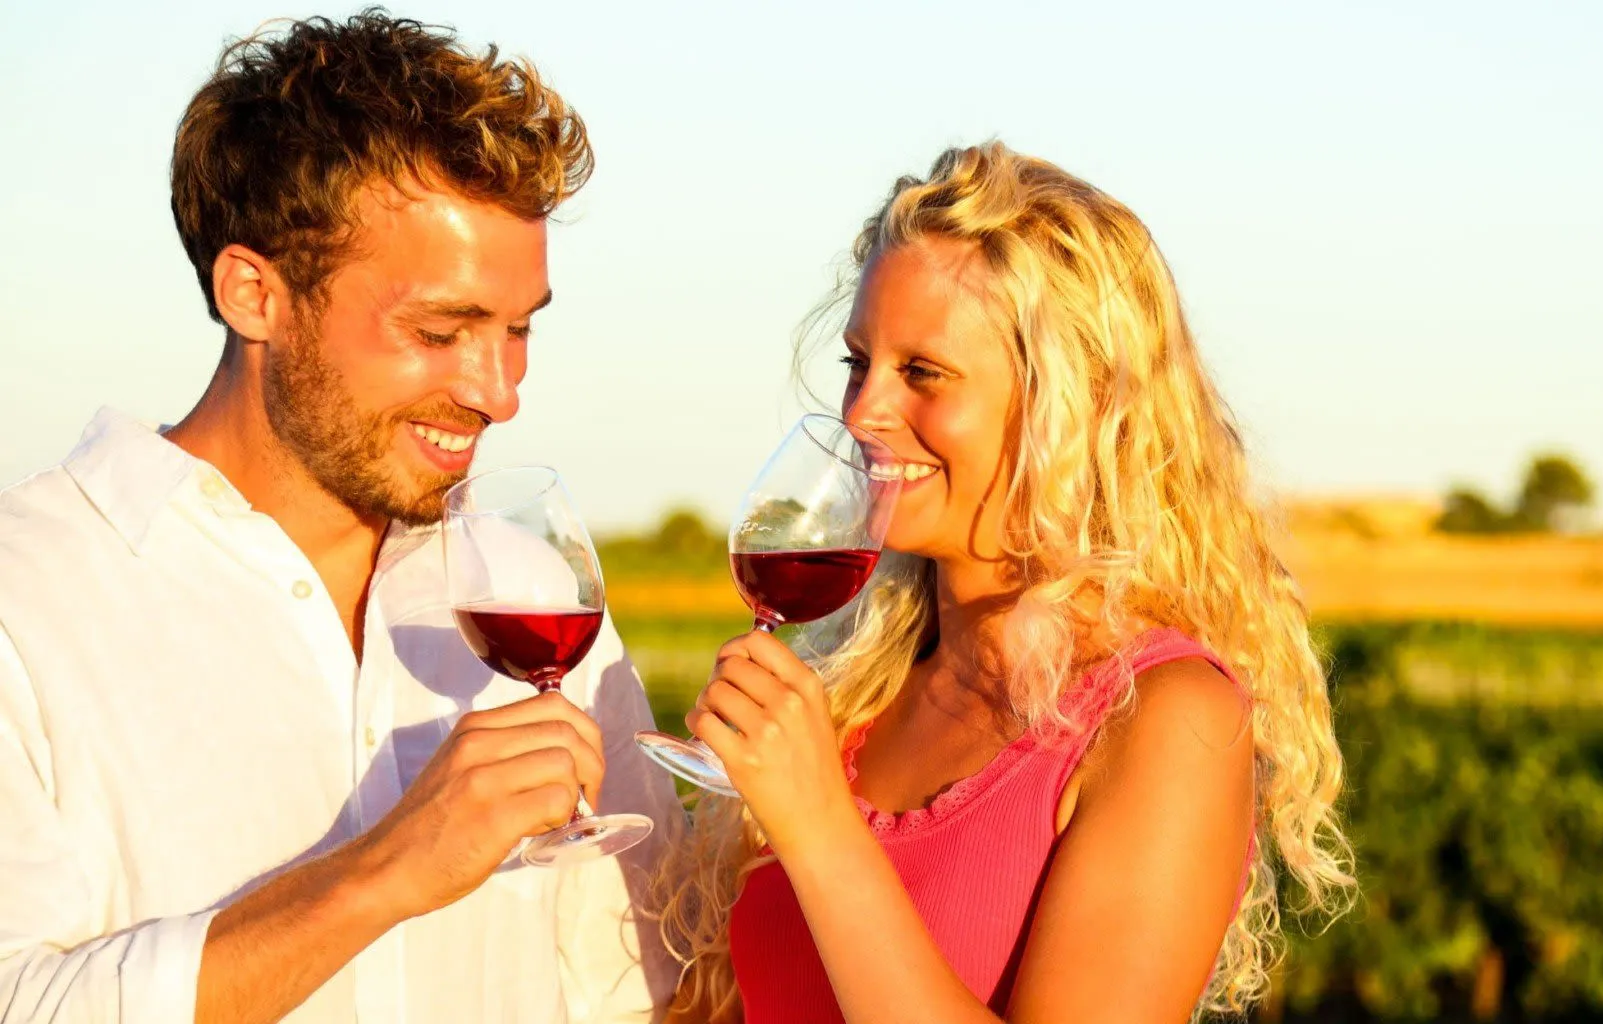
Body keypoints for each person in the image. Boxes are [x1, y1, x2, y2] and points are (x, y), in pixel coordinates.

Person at [0, 11, 680, 1022]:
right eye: (441, 329)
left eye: (519, 328)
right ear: (253, 293)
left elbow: (642, 988)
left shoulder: (531, 590)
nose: (500, 393)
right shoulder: (32, 592)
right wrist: (386, 871)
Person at [654, 142, 1356, 1023]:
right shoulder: (864, 690)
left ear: (1070, 406)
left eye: (922, 373)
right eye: (858, 363)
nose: (864, 412)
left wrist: (822, 831)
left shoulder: (1165, 718)